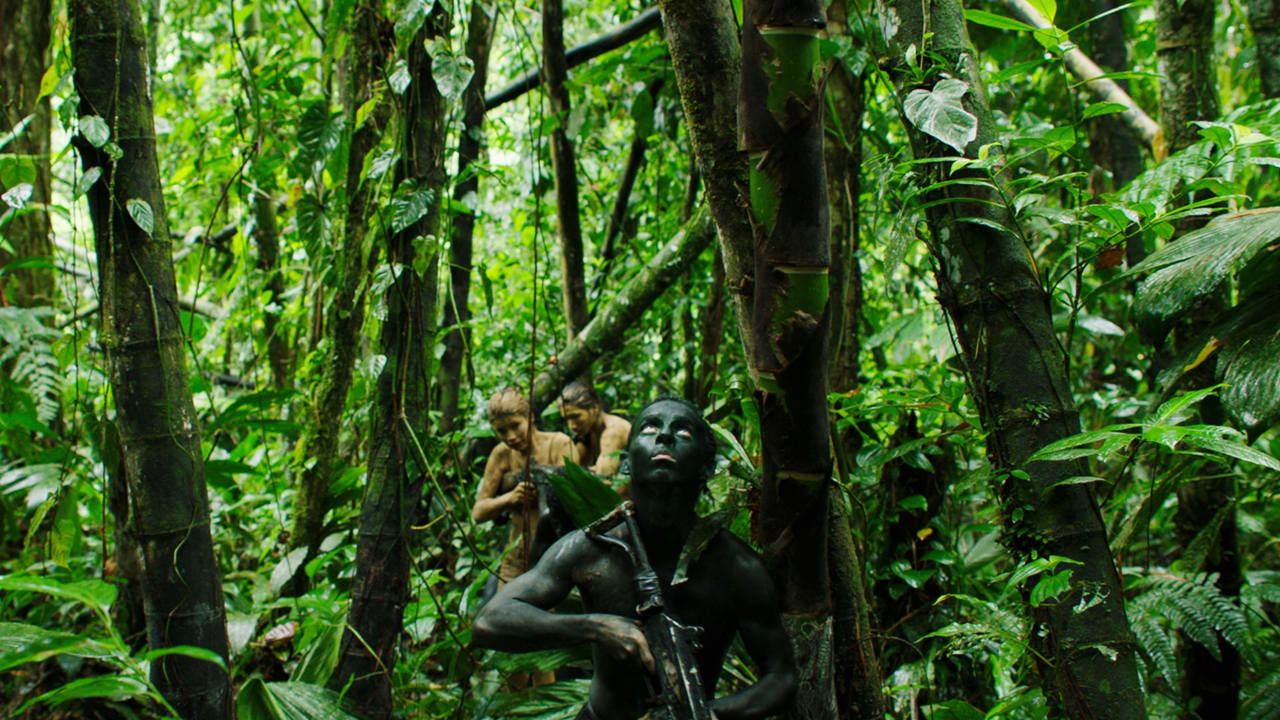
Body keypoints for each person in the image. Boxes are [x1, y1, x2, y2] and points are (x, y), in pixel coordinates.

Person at [473, 397, 797, 720]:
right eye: (651, 427)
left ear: (707, 467)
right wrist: (597, 627)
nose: (665, 436)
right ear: (626, 463)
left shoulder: (736, 566)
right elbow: (490, 621)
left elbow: (781, 677)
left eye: (683, 432)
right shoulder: (591, 548)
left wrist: (709, 715)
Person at [472, 386, 577, 584]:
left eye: (515, 425)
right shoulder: (501, 454)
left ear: (529, 416)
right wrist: (510, 499)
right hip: (517, 556)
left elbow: (574, 502)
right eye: (501, 431)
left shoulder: (559, 444)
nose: (510, 436)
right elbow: (478, 512)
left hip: (557, 556)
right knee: (503, 613)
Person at [559, 381, 631, 477]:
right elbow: (573, 470)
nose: (571, 425)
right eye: (567, 419)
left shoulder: (613, 431)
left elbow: (604, 478)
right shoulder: (588, 433)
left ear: (594, 408)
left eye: (576, 416)